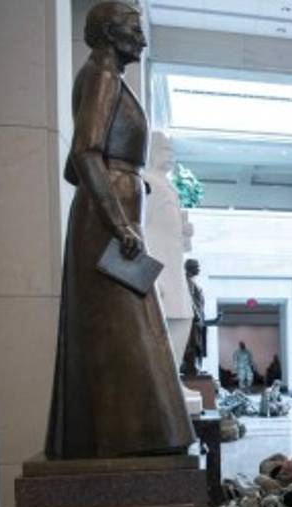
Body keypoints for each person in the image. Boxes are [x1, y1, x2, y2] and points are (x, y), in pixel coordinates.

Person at [45, 1, 195, 459]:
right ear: (110, 32)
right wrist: (120, 222)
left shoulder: (106, 78)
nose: (142, 39)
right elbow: (85, 154)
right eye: (134, 28)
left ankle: (136, 431)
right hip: (109, 220)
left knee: (130, 329)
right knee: (129, 328)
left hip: (114, 210)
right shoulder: (103, 78)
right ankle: (139, 433)